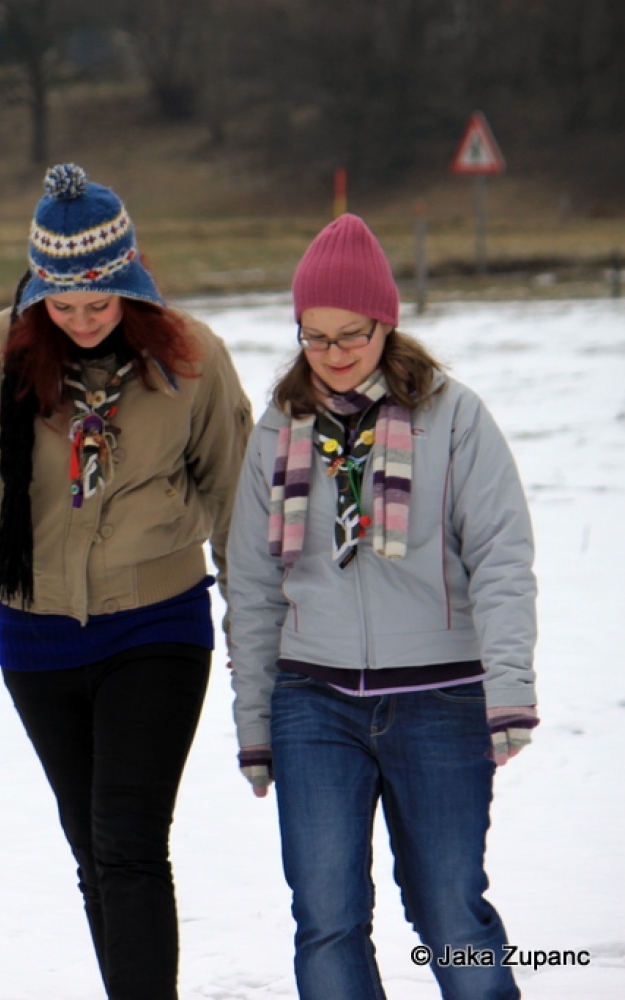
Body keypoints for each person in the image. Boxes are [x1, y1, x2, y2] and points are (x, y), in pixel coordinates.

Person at [0, 163, 252, 998]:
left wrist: (253, 627)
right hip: (37, 633)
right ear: (37, 297)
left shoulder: (191, 359)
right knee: (93, 848)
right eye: (63, 306)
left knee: (127, 841)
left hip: (158, 624)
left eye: (101, 303)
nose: (85, 322)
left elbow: (238, 500)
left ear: (131, 283)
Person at [227, 214, 537, 1000]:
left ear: (386, 324)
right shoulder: (277, 429)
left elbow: (501, 557)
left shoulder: (453, 417)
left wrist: (508, 689)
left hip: (439, 698)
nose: (331, 356)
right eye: (314, 337)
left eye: (350, 337)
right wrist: (256, 723)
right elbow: (254, 588)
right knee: (326, 919)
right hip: (313, 703)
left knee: (450, 915)